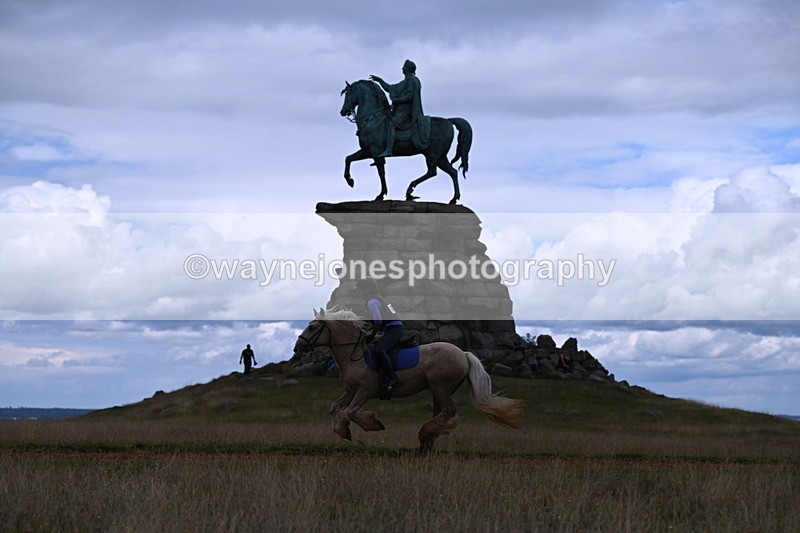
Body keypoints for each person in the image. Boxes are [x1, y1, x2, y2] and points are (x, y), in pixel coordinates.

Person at [355, 276, 403, 399]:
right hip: (392, 328)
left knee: (379, 350)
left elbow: (377, 321)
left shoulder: (372, 302)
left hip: (394, 329)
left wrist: (371, 335)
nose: (359, 293)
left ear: (367, 290)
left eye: (360, 290)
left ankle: (392, 379)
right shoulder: (378, 299)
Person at [370, 59, 429, 157]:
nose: (402, 68)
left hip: (407, 111)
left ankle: (389, 150)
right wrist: (380, 80)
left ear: (408, 69)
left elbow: (410, 96)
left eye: (404, 67)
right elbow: (389, 88)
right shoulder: (404, 82)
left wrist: (398, 100)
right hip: (399, 110)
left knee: (391, 124)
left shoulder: (413, 81)